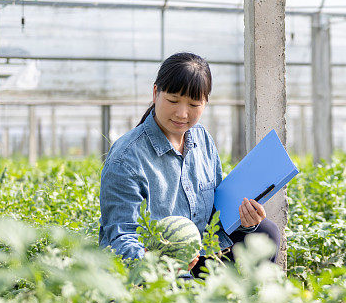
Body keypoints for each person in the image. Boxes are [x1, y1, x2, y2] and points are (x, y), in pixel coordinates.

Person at [99, 52, 281, 277]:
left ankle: (252, 302)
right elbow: (121, 236)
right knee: (186, 294)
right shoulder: (127, 158)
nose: (182, 113)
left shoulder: (202, 139)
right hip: (157, 266)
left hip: (202, 253)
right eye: (173, 101)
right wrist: (157, 266)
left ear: (205, 103)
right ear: (156, 93)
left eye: (194, 104)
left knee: (265, 233)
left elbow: (217, 213)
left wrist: (244, 221)